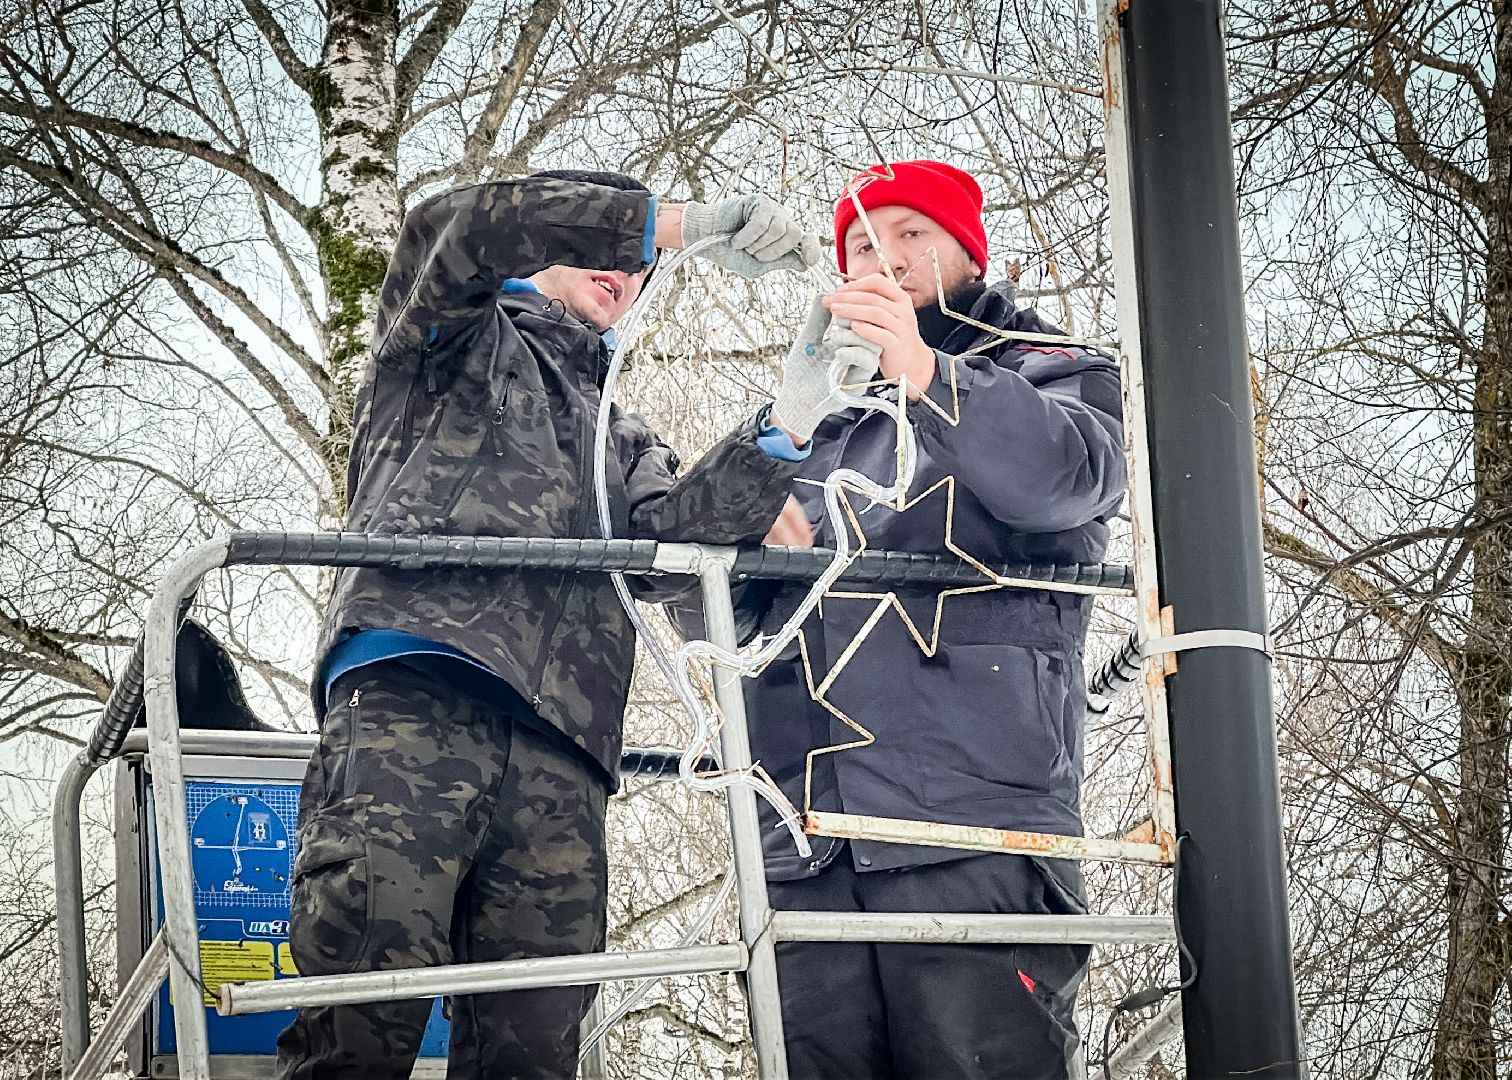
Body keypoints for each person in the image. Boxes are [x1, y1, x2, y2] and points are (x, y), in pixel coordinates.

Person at [275, 170, 842, 1079]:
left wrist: (787, 425)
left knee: (537, 1047)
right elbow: (455, 227)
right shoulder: (447, 337)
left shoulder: (623, 436)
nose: (623, 272)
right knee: (363, 1009)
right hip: (417, 695)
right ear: (545, 247)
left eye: (637, 268)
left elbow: (670, 542)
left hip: (564, 751)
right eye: (603, 248)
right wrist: (668, 224)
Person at [747, 160, 1127, 1078]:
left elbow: (1068, 478)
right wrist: (740, 507)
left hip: (973, 823)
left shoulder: (1049, 368)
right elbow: (713, 624)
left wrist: (925, 371)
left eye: (911, 233)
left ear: (968, 253)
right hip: (806, 845)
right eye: (860, 245)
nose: (884, 257)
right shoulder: (807, 422)